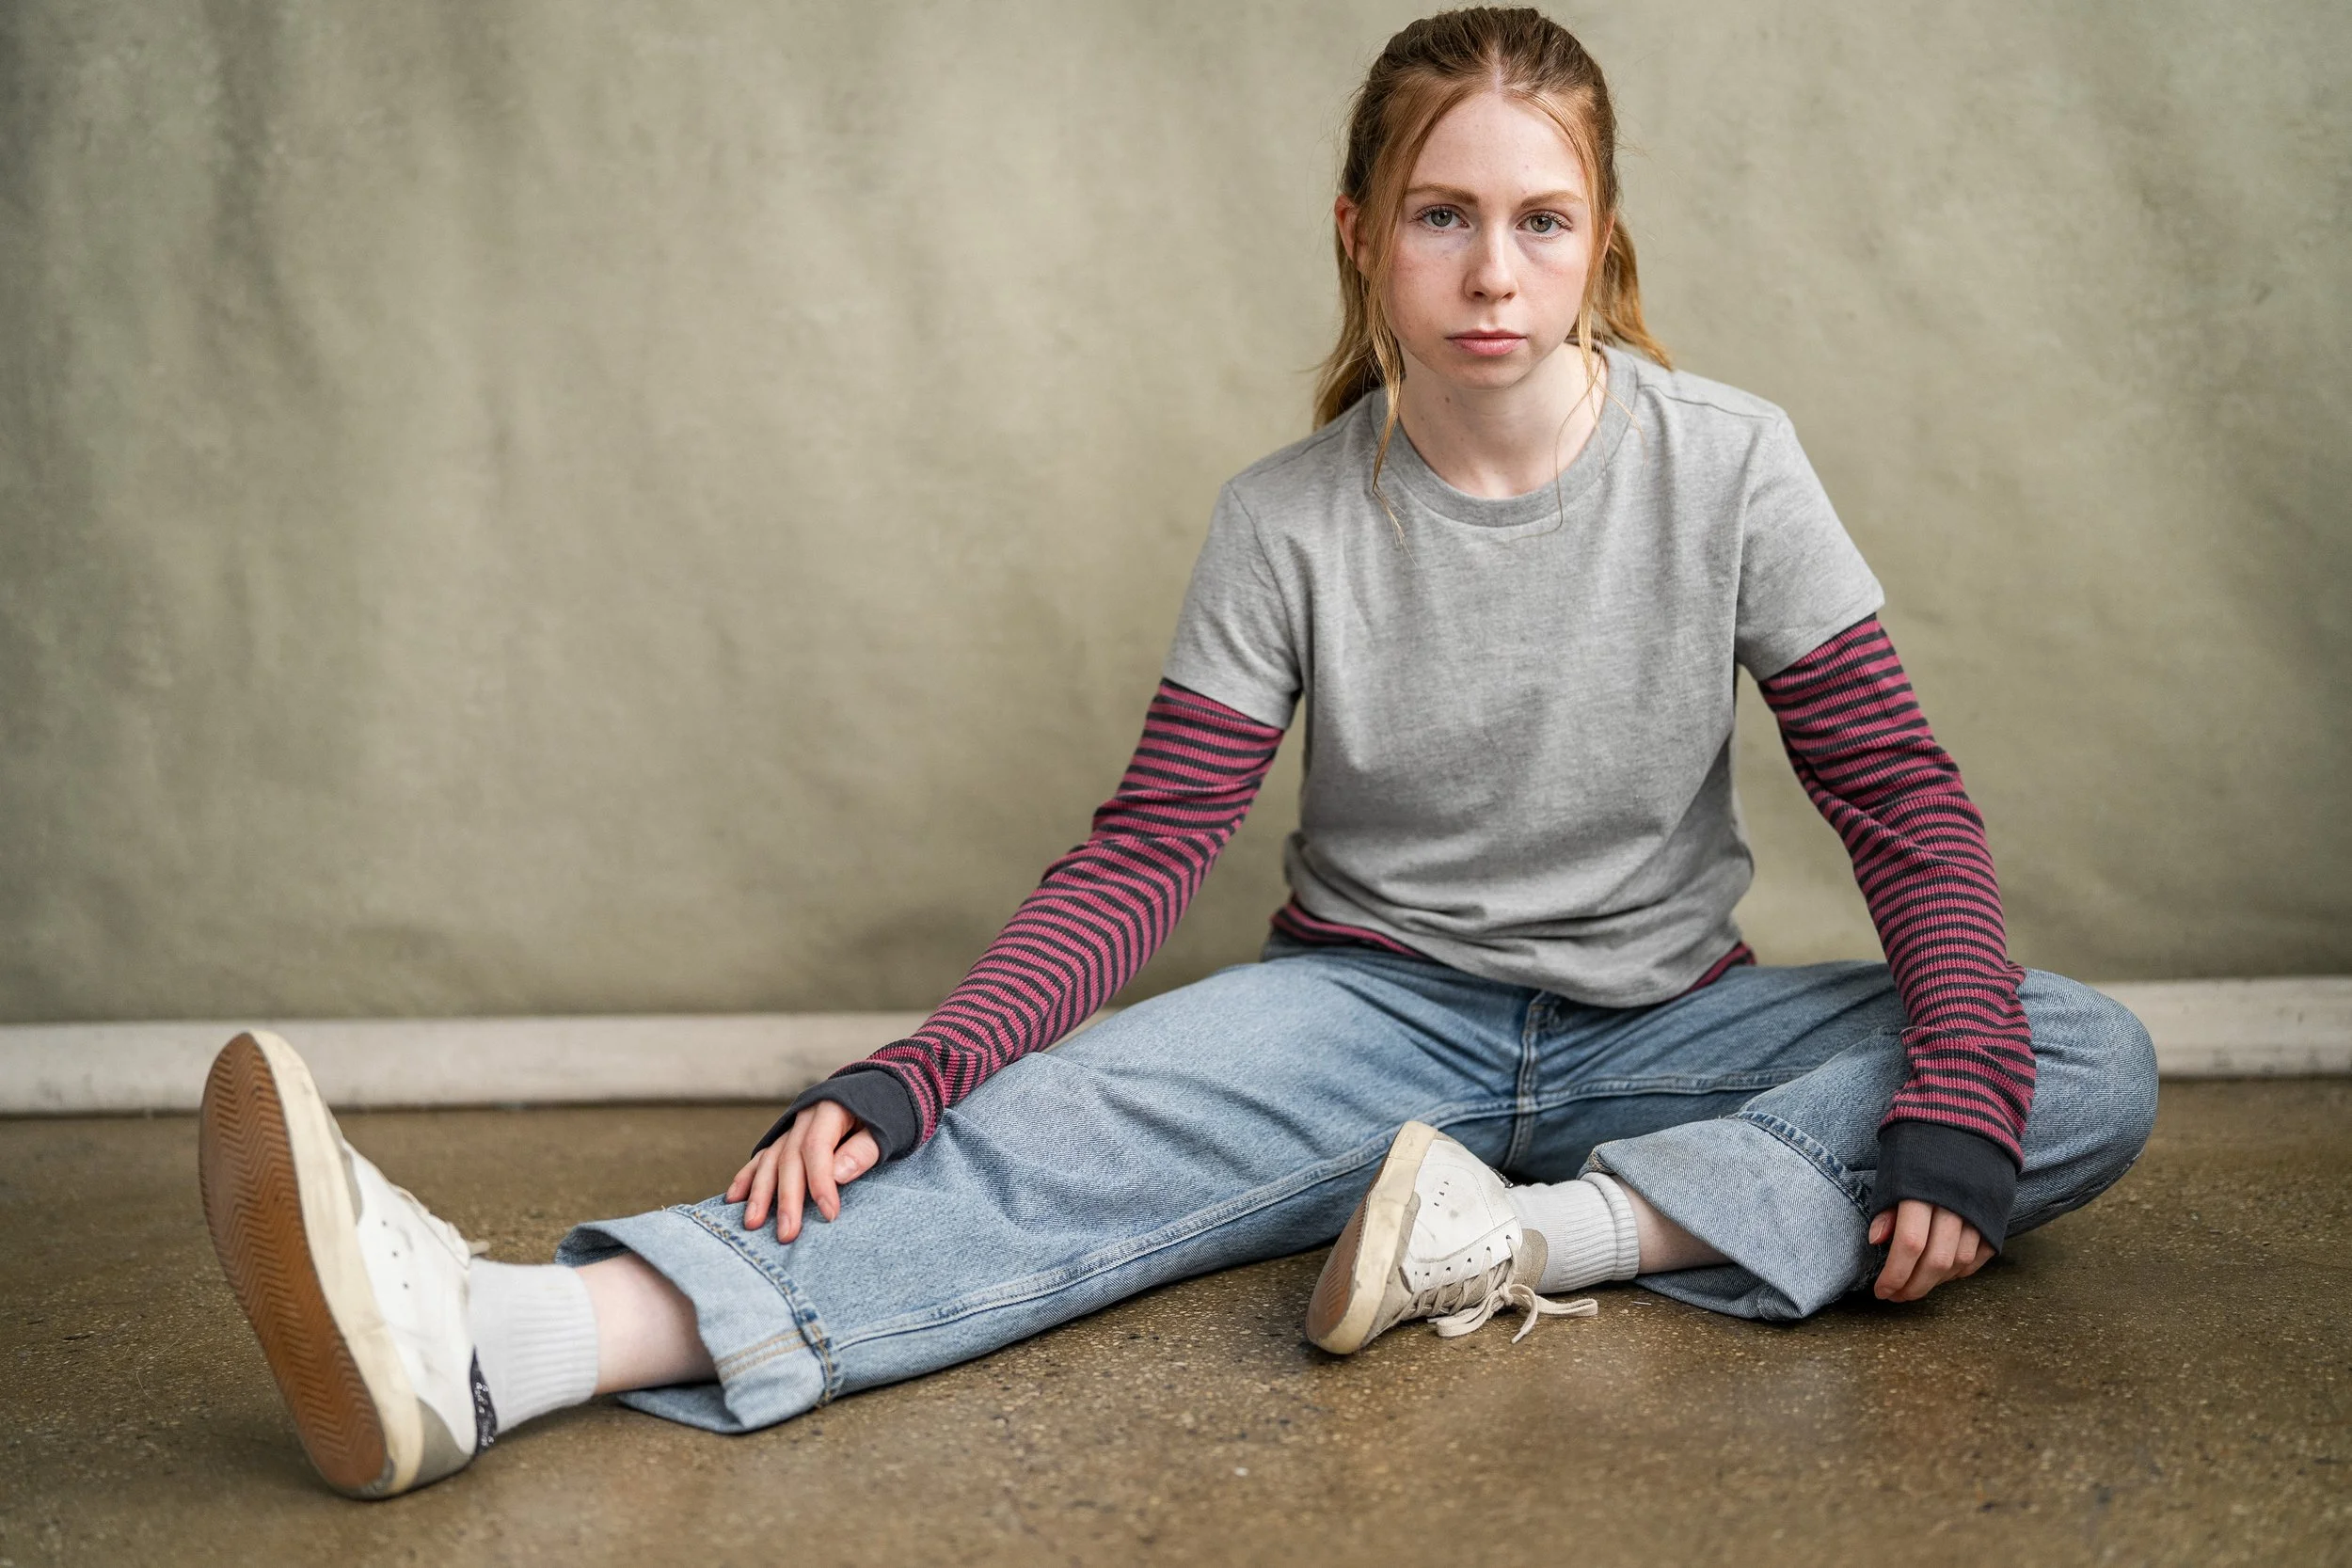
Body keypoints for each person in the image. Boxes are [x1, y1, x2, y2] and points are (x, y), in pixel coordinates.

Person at [196, 7, 2158, 1499]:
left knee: (2068, 1054)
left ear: (1596, 240)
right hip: (1366, 1020)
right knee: (1046, 1131)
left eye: (1539, 221)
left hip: (1675, 1022)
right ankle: (505, 1339)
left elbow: (1898, 796)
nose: (1492, 270)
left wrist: (1959, 1086)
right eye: (1444, 217)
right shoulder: (1284, 519)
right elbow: (1148, 848)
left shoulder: (1728, 462)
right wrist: (922, 1067)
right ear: (1362, 236)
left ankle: (1539, 1234)